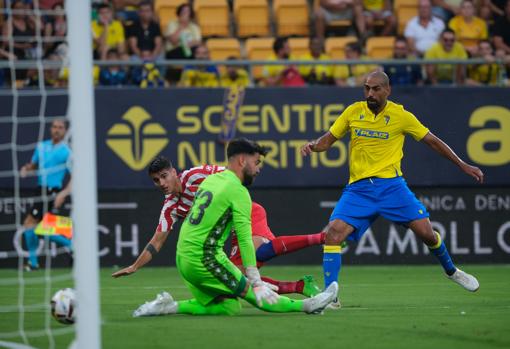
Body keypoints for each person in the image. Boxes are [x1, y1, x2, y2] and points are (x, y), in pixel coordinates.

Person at [300, 71, 482, 308]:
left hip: (392, 187)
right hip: (359, 189)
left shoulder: (400, 116)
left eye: (375, 89)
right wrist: (313, 146)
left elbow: (433, 141)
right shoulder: (353, 111)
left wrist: (462, 164)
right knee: (333, 234)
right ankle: (331, 296)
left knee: (427, 234)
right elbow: (328, 139)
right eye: (367, 88)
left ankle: (451, 271)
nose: (370, 94)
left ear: (388, 90)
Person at [119, 138, 338, 317]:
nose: (162, 183)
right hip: (207, 253)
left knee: (230, 304)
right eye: (256, 163)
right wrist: (255, 281)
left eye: (164, 176)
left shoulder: (203, 178)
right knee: (254, 288)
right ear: (243, 161)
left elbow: (225, 178)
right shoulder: (229, 192)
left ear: (174, 172)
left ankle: (169, 306)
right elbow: (242, 237)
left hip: (186, 256)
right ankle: (309, 304)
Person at [20, 119, 72, 270]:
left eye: (60, 128)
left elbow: (75, 176)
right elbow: (34, 165)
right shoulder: (41, 147)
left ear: (64, 131)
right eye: (54, 127)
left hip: (52, 191)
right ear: (50, 129)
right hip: (39, 189)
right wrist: (26, 168)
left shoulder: (67, 151)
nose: (57, 130)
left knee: (30, 223)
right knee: (44, 226)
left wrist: (63, 193)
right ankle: (72, 246)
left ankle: (33, 262)